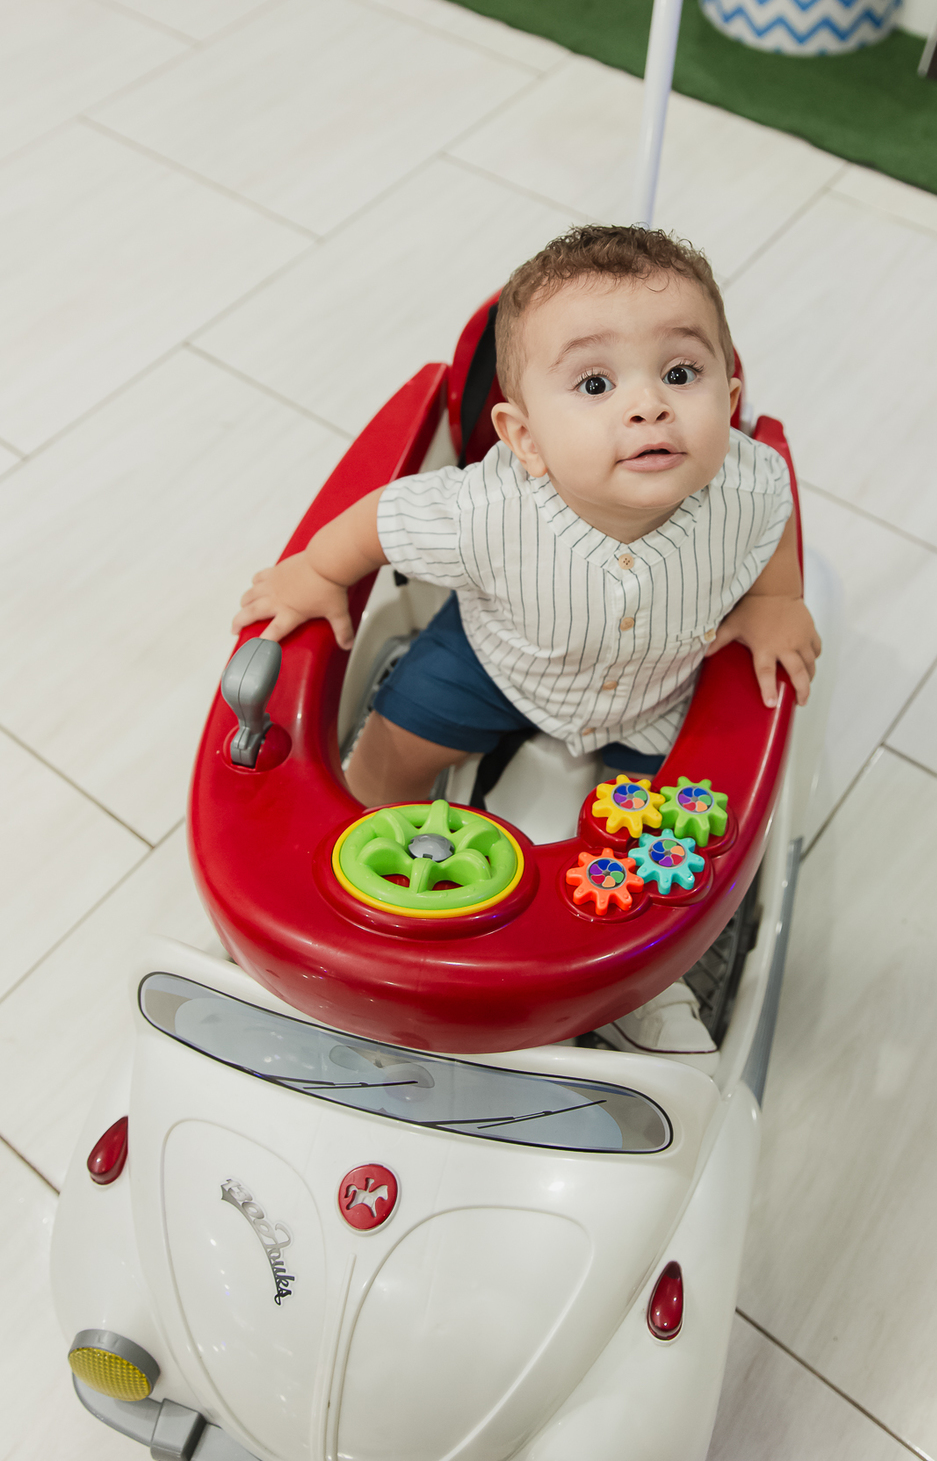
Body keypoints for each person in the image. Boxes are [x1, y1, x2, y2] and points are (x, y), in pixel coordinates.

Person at [233, 225, 820, 1069]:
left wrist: (774, 601)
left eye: (681, 373)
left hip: (655, 694)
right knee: (392, 751)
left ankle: (646, 987)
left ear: (728, 394)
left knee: (656, 854)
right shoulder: (484, 510)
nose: (648, 403)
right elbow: (379, 519)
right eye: (594, 382)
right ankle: (341, 881)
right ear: (525, 437)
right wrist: (317, 573)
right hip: (494, 661)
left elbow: (773, 522)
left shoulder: (748, 480)